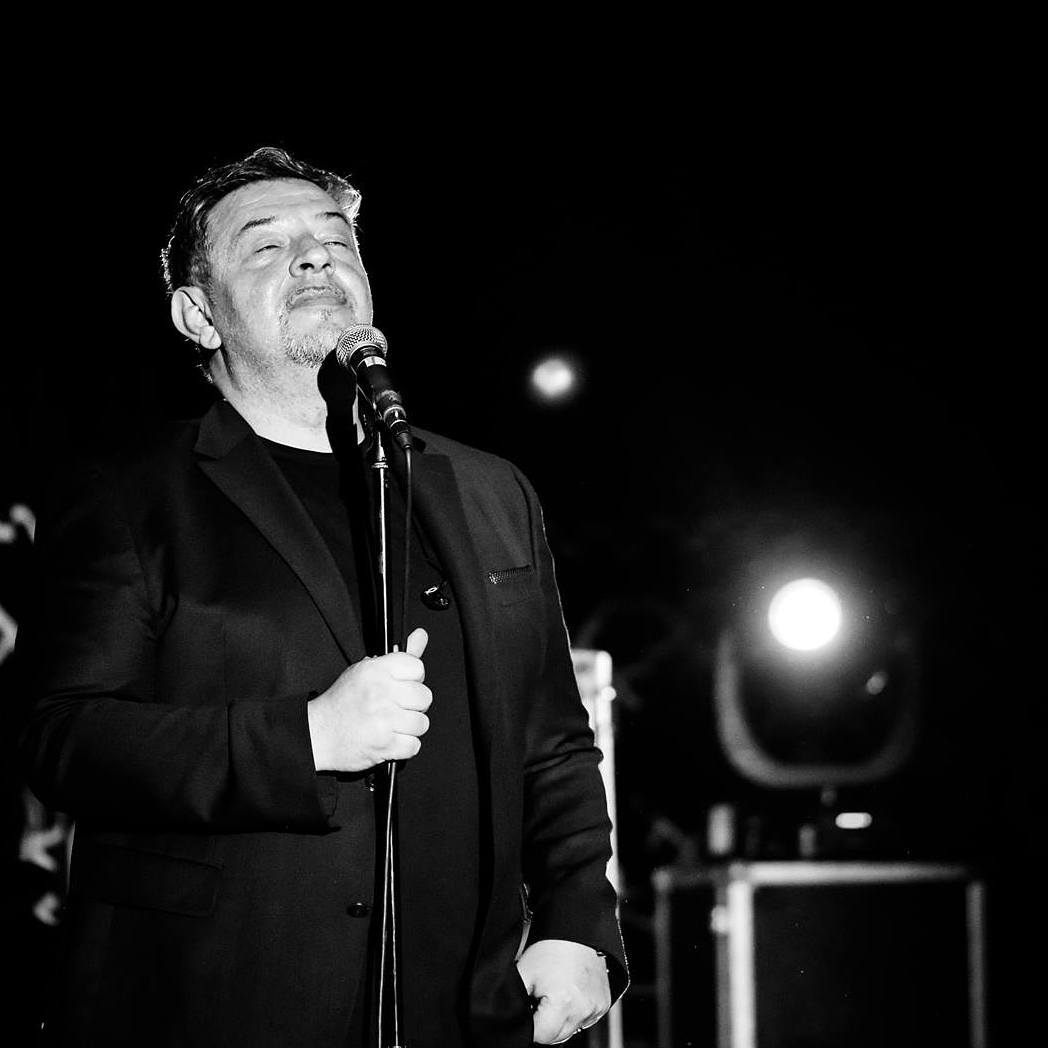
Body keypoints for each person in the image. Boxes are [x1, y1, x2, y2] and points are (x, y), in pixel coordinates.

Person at [17, 146, 627, 1047]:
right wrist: (307, 738)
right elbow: (61, 735)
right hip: (216, 1004)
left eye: (336, 240)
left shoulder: (489, 490)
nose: (314, 258)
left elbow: (553, 742)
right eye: (268, 246)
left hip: (462, 1011)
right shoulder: (130, 493)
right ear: (197, 315)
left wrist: (580, 920)